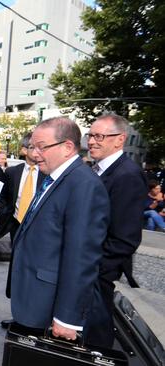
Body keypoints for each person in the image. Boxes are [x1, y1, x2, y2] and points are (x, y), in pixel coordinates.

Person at [10, 117, 110, 341]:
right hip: (37, 298)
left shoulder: (83, 185)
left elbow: (81, 256)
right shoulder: (54, 178)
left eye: (42, 147)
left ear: (67, 147)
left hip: (51, 304)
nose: (35, 154)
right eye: (33, 147)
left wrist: (68, 317)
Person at [82, 113, 148, 347]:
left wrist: (95, 268)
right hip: (88, 266)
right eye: (90, 135)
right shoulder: (97, 169)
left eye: (99, 136)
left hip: (97, 270)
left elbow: (125, 238)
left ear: (120, 140)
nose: (91, 141)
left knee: (95, 334)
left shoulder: (127, 175)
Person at [0, 133, 47, 329]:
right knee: (17, 271)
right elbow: (3, 197)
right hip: (17, 227)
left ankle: (36, 318)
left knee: (35, 272)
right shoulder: (12, 173)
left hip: (39, 230)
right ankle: (18, 315)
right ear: (24, 150)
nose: (39, 152)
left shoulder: (48, 173)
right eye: (35, 147)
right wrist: (5, 215)